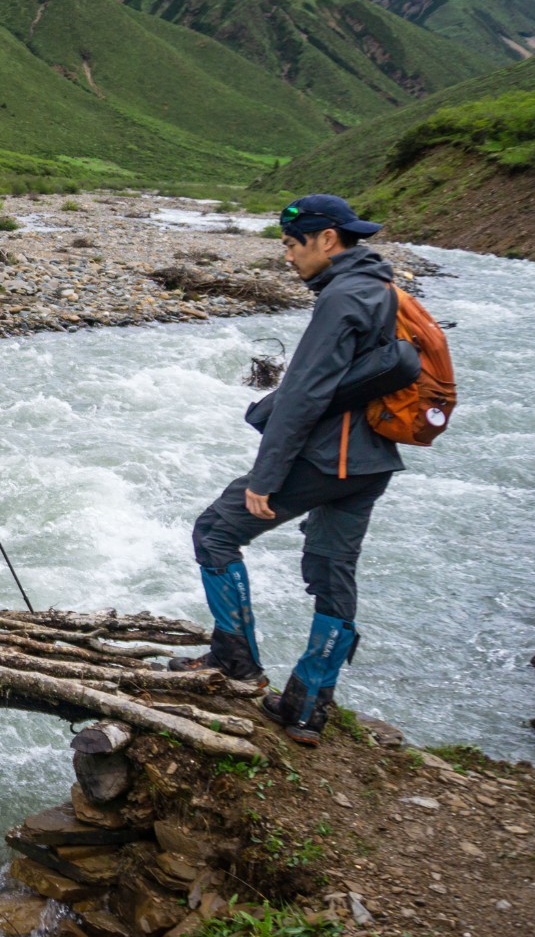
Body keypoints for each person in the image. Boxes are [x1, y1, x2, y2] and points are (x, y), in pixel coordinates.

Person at [171, 194, 403, 746]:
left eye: (291, 244)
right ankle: (307, 706)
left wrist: (265, 477)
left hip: (329, 458)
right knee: (333, 567)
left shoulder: (341, 297)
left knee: (216, 530)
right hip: (372, 461)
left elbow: (303, 394)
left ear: (326, 239)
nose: (287, 255)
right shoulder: (380, 286)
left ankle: (235, 662)